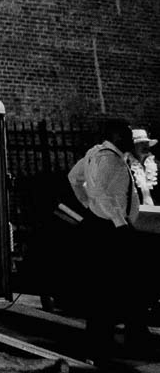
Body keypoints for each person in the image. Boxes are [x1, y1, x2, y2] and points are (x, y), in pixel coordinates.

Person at [68, 118, 154, 366]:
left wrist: (88, 206)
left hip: (104, 226)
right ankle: (107, 346)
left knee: (110, 288)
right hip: (112, 231)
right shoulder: (108, 158)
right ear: (116, 135)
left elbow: (74, 178)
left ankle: (109, 342)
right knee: (115, 287)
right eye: (126, 133)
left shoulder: (96, 154)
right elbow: (100, 192)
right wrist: (118, 221)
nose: (130, 137)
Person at [128, 128, 157, 207]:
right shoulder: (126, 166)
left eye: (146, 143)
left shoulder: (157, 165)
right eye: (141, 143)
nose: (145, 146)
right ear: (133, 146)